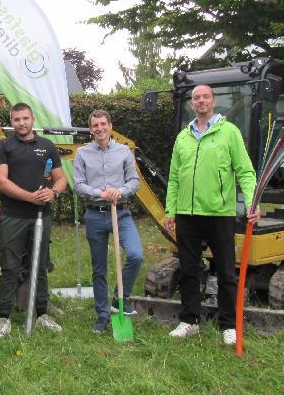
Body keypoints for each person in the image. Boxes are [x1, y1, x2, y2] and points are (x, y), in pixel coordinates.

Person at [164, 84, 260, 346]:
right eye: (196, 98)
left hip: (219, 213)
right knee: (188, 269)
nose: (201, 101)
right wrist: (170, 209)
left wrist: (252, 203)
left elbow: (245, 172)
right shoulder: (183, 137)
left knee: (227, 271)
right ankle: (190, 321)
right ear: (191, 104)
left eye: (205, 97)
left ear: (213, 101)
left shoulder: (229, 133)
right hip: (187, 214)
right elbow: (174, 177)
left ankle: (228, 324)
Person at [0, 103, 67, 337]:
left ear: (33, 119)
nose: (21, 123)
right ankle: (4, 317)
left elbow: (61, 178)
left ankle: (42, 313)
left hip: (41, 217)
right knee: (10, 267)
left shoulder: (47, 146)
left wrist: (53, 193)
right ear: (11, 121)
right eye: (16, 119)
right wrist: (30, 197)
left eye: (25, 118)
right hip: (12, 216)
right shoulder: (4, 146)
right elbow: (1, 181)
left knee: (40, 264)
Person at [73, 109, 143, 335]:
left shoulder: (124, 151)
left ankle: (120, 297)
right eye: (95, 125)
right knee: (99, 268)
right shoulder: (82, 153)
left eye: (103, 124)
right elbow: (78, 184)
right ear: (91, 129)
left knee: (135, 254)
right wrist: (99, 193)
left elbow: (134, 181)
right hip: (94, 214)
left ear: (110, 126)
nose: (100, 128)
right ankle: (103, 315)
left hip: (120, 212)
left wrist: (118, 191)